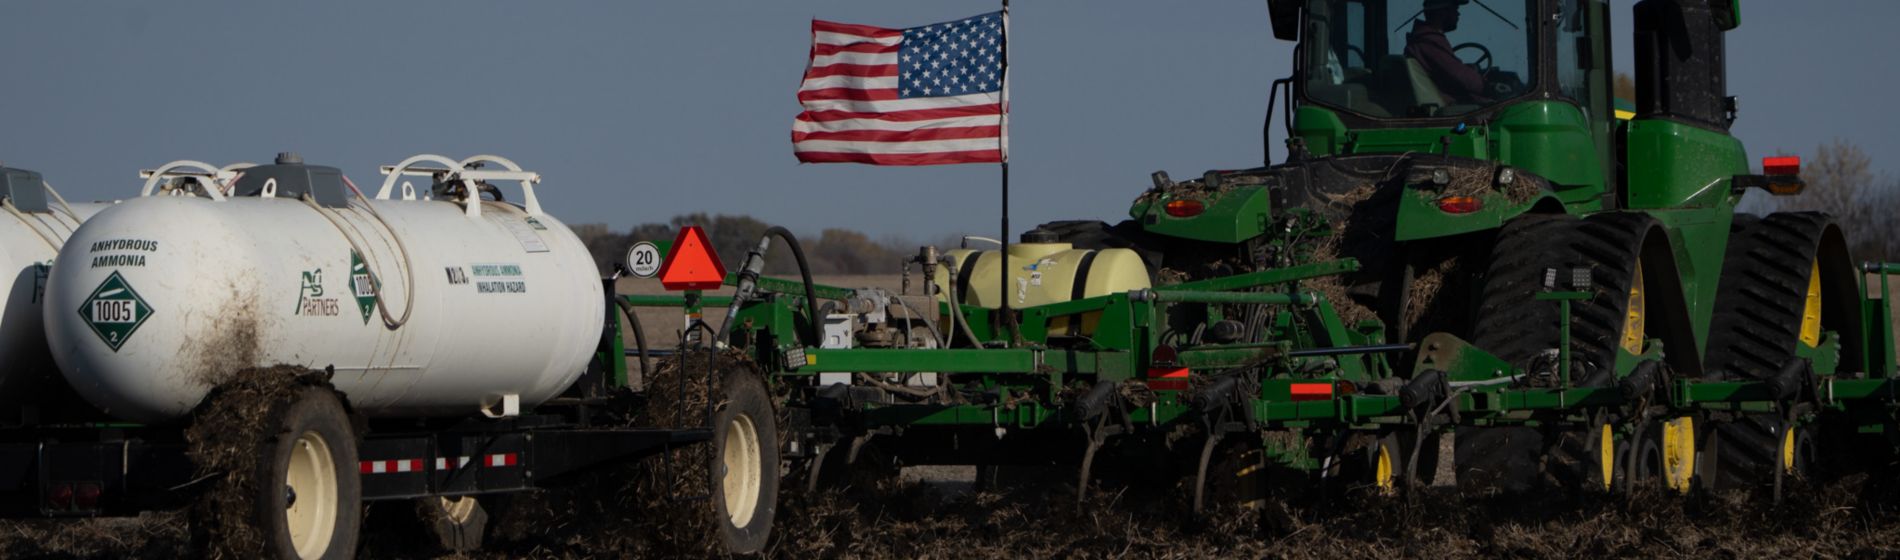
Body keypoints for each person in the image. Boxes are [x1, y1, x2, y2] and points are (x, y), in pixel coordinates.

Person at [1404, 0, 1490, 104]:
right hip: (1450, 111)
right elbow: (1460, 76)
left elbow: (1449, 70)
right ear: (1442, 12)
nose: (1458, 14)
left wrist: (1471, 69)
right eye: (1455, 9)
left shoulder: (1422, 39)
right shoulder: (1429, 42)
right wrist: (1488, 86)